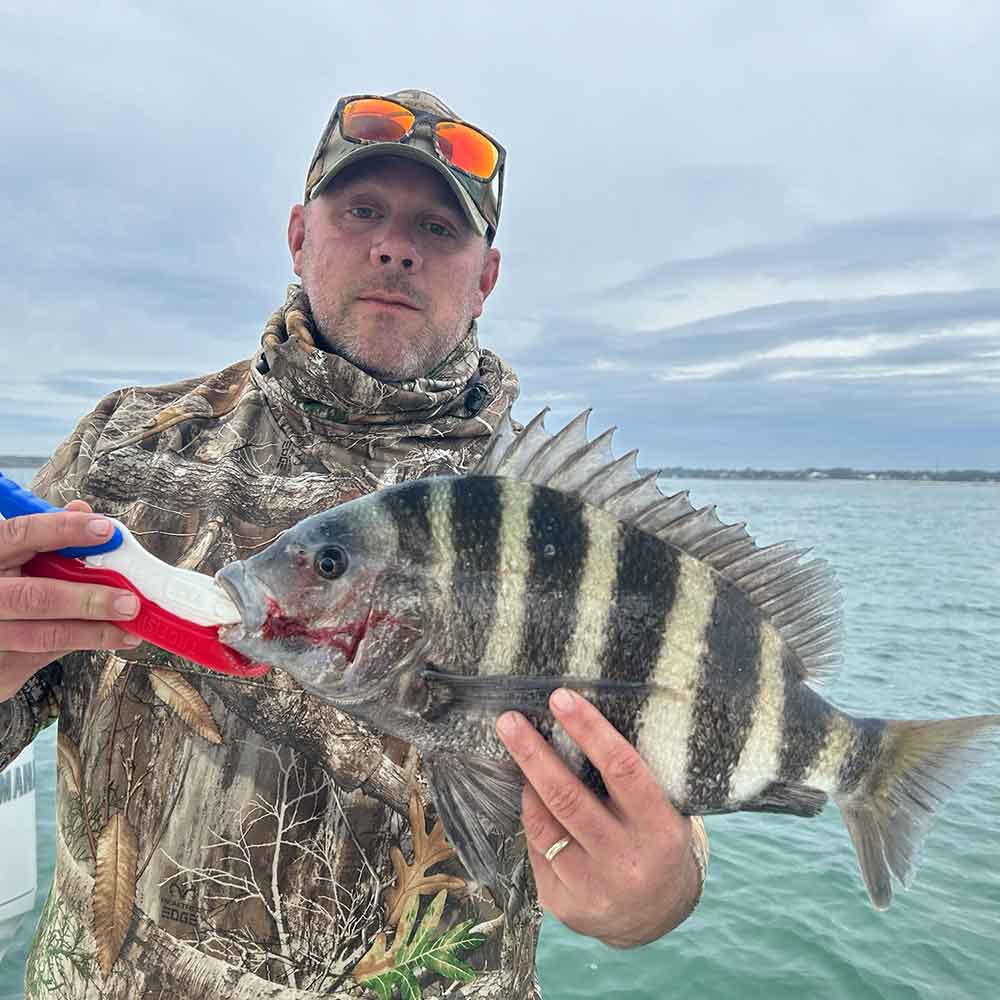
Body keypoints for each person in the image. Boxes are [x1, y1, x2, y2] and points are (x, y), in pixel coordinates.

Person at [0, 89, 709, 999]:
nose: (395, 245)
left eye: (439, 228)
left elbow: (670, 794)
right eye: (362, 210)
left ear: (485, 275)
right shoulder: (125, 450)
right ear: (299, 235)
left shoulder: (557, 517)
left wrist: (651, 897)